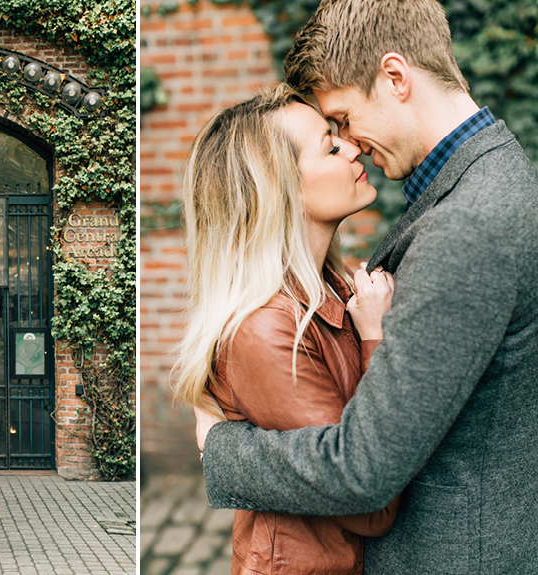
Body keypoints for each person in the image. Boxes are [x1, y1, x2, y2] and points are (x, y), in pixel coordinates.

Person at [195, 1, 538, 573]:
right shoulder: (484, 182)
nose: (351, 143)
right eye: (333, 136)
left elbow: (362, 470)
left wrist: (225, 451)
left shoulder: (466, 224)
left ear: (396, 78)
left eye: (344, 119)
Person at [174, 83, 401, 574]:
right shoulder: (267, 327)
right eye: (329, 144)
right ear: (283, 190)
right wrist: (375, 340)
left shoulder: (330, 288)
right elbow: (370, 504)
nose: (353, 147)